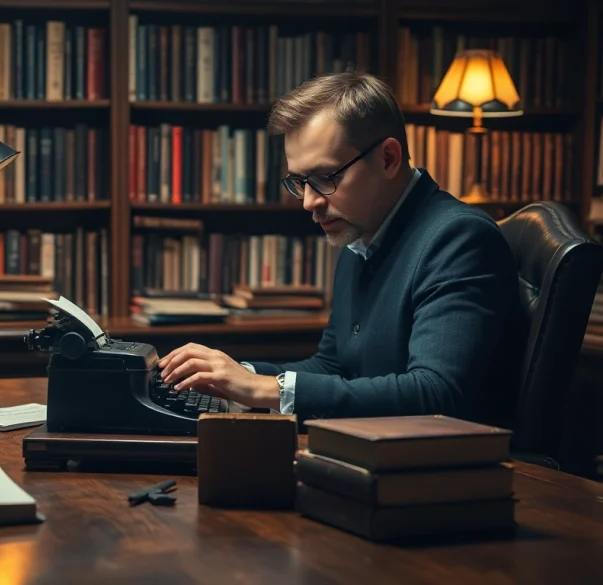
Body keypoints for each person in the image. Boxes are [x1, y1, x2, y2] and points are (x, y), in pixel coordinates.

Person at [157, 70, 526, 429]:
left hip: (451, 477)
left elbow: (436, 394)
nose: (308, 202)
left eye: (325, 177)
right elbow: (335, 368)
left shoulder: (459, 238)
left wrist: (265, 389)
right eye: (300, 182)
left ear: (388, 159)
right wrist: (237, 376)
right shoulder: (361, 235)